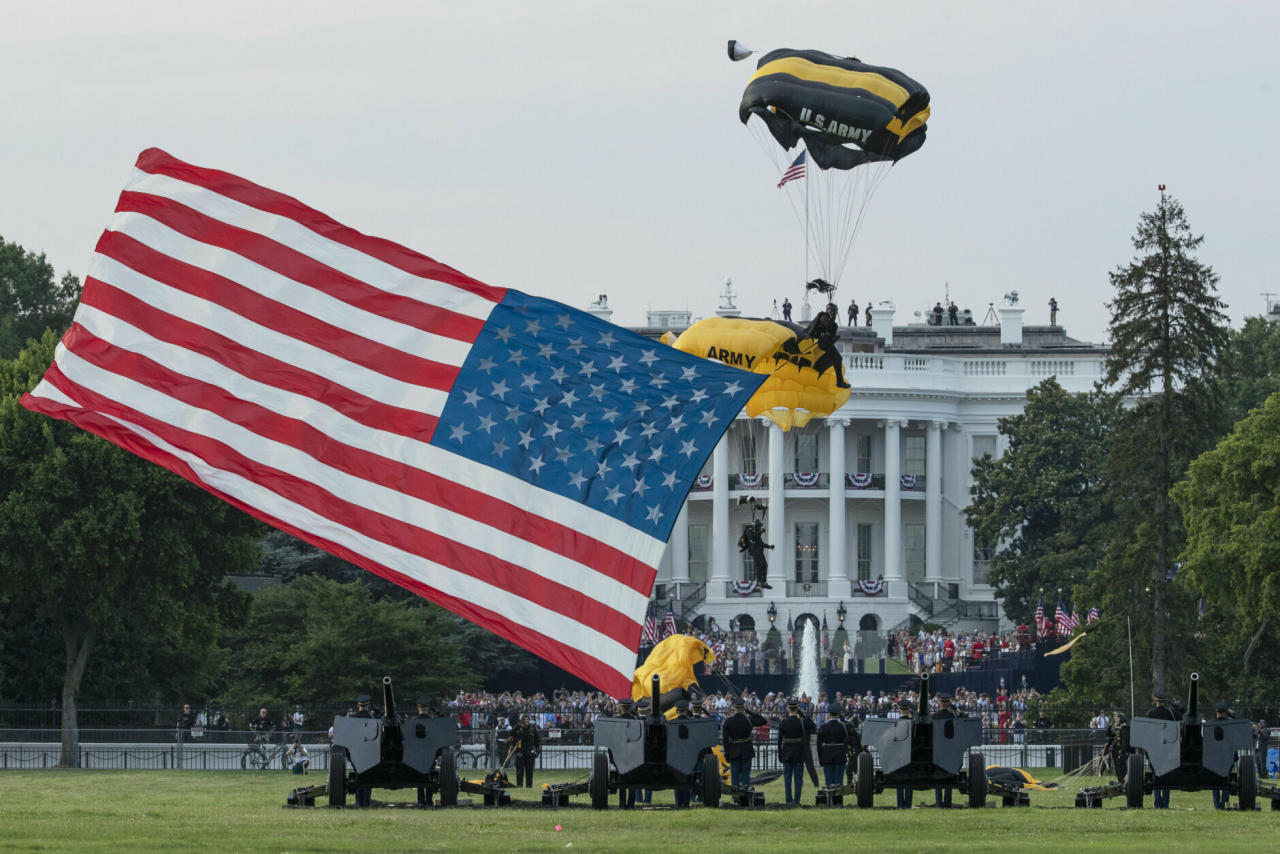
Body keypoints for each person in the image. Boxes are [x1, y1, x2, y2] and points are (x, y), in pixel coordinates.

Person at [722, 695, 766, 791]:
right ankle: (745, 795)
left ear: (734, 707)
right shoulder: (748, 720)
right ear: (743, 708)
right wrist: (750, 711)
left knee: (735, 776)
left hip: (733, 750)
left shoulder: (728, 721)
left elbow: (725, 740)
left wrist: (726, 753)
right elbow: (763, 721)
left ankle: (735, 797)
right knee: (746, 775)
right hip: (747, 749)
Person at [806, 303, 850, 389]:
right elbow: (826, 325)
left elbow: (829, 331)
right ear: (830, 310)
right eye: (834, 311)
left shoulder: (830, 319)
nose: (835, 313)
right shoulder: (824, 317)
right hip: (824, 343)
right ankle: (840, 382)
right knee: (838, 358)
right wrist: (832, 317)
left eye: (835, 311)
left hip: (826, 342)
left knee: (834, 359)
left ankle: (817, 368)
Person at [1146, 692, 1177, 808]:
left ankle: (1157, 801)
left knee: (1156, 775)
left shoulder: (1151, 714)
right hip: (1168, 748)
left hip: (1155, 748)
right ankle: (1166, 802)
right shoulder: (1171, 713)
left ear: (1156, 701)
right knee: (1166, 776)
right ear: (1165, 701)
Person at [931, 694, 958, 807]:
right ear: (948, 704)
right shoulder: (952, 717)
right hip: (949, 749)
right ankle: (947, 802)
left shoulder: (934, 717)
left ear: (940, 704)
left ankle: (938, 802)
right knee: (948, 775)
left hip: (937, 749)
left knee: (937, 776)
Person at [816, 702, 851, 788]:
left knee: (828, 784)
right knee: (839, 784)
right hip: (840, 756)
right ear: (839, 714)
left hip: (827, 756)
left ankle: (829, 800)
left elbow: (818, 744)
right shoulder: (844, 726)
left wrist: (821, 758)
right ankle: (838, 801)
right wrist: (845, 752)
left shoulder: (823, 727)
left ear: (829, 714)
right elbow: (849, 740)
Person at [737, 520, 774, 588]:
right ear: (756, 526)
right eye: (759, 526)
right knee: (758, 565)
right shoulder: (749, 531)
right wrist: (761, 532)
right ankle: (759, 581)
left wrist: (769, 546)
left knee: (764, 565)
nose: (760, 527)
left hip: (759, 551)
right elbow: (753, 538)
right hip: (755, 551)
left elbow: (761, 543)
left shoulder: (757, 533)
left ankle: (764, 582)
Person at [1211, 702, 1233, 809]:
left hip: (1215, 756)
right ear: (1225, 713)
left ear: (1216, 712)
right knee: (1226, 780)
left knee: (1215, 781)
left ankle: (1216, 804)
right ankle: (1225, 803)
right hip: (1227, 755)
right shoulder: (1230, 725)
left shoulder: (1211, 725)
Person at [511, 714, 541, 788]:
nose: (526, 721)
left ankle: (529, 785)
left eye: (527, 719)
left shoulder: (532, 728)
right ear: (521, 721)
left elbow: (538, 739)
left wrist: (536, 749)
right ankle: (519, 785)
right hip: (520, 752)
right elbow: (511, 733)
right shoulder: (518, 728)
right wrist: (518, 726)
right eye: (524, 720)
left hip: (529, 752)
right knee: (519, 770)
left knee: (529, 770)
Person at [894, 700, 915, 808]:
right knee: (909, 779)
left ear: (899, 710)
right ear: (908, 710)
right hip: (911, 754)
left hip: (899, 755)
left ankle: (900, 804)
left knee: (899, 780)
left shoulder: (896, 724)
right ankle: (908, 803)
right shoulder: (913, 723)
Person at [673, 700, 694, 806]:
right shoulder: (691, 723)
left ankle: (678, 802)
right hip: (688, 754)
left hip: (676, 755)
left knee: (677, 779)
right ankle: (686, 803)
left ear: (677, 711)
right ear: (687, 710)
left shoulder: (672, 723)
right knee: (687, 778)